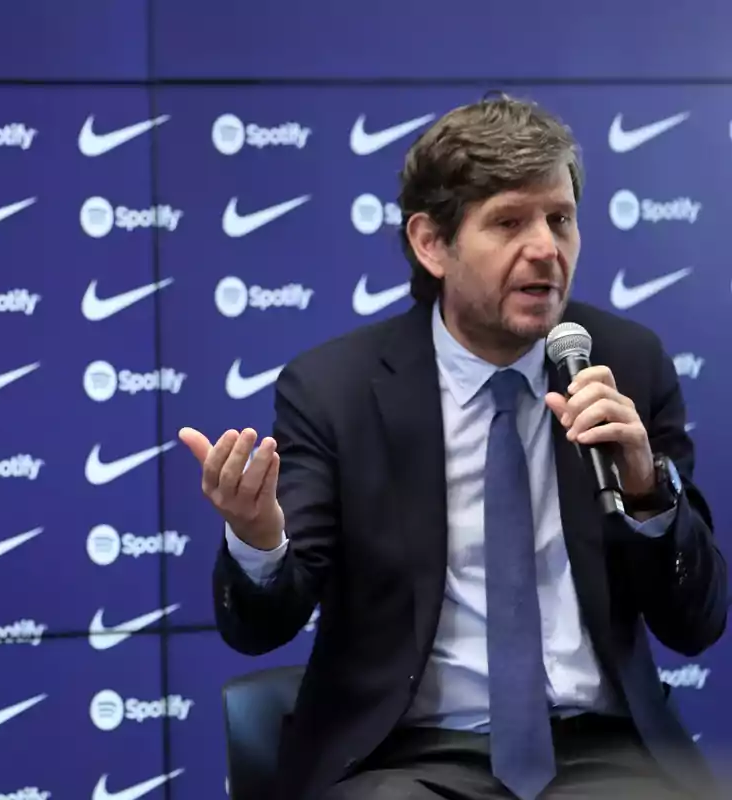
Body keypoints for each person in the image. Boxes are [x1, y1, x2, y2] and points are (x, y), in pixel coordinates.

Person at [180, 94, 727, 800]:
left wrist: (650, 492)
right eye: (508, 222)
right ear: (431, 244)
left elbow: (698, 623)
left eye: (560, 219)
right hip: (408, 758)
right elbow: (263, 625)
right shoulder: (336, 389)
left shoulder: (626, 363)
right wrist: (258, 542)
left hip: (600, 754)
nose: (546, 249)